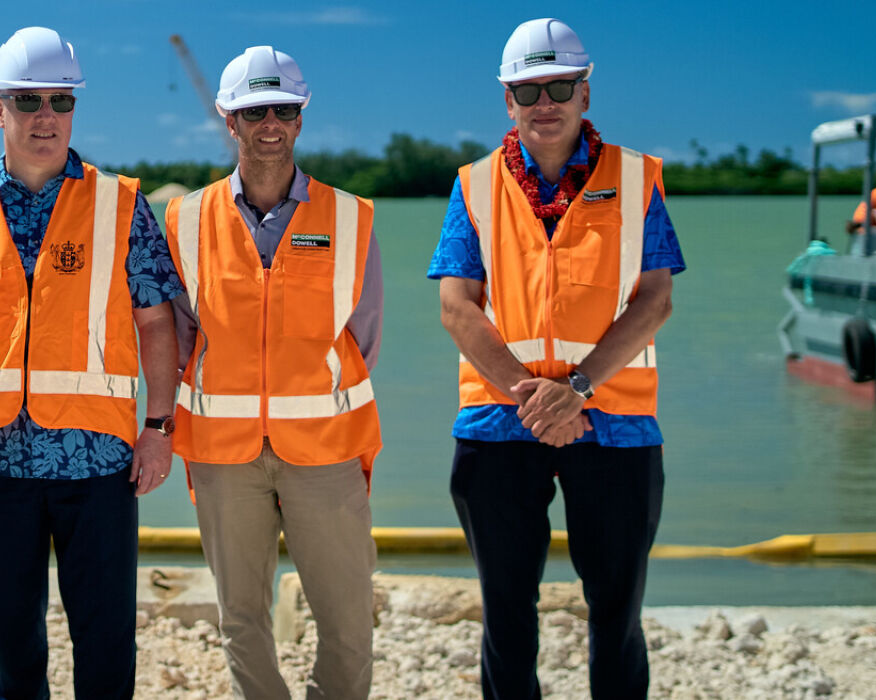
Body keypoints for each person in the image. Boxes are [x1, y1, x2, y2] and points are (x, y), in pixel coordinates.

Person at [0, 26, 182, 699]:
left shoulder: (121, 204)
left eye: (61, 100)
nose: (46, 116)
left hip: (101, 463)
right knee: (12, 643)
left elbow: (156, 322)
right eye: (27, 99)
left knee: (106, 640)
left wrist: (159, 428)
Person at [426, 18, 684, 699]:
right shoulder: (474, 185)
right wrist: (534, 398)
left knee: (618, 612)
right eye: (528, 90)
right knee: (506, 612)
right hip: (499, 421)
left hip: (616, 420)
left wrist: (577, 389)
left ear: (585, 93)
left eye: (560, 87)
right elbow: (457, 307)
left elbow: (654, 300)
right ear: (507, 100)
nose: (545, 103)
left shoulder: (637, 180)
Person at [164, 46, 384, 700]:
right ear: (228, 118)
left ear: (300, 118)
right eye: (255, 110)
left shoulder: (351, 218)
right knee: (240, 618)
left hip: (327, 450)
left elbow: (363, 339)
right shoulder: (184, 220)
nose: (271, 123)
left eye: (284, 110)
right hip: (223, 454)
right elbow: (180, 341)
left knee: (349, 621)